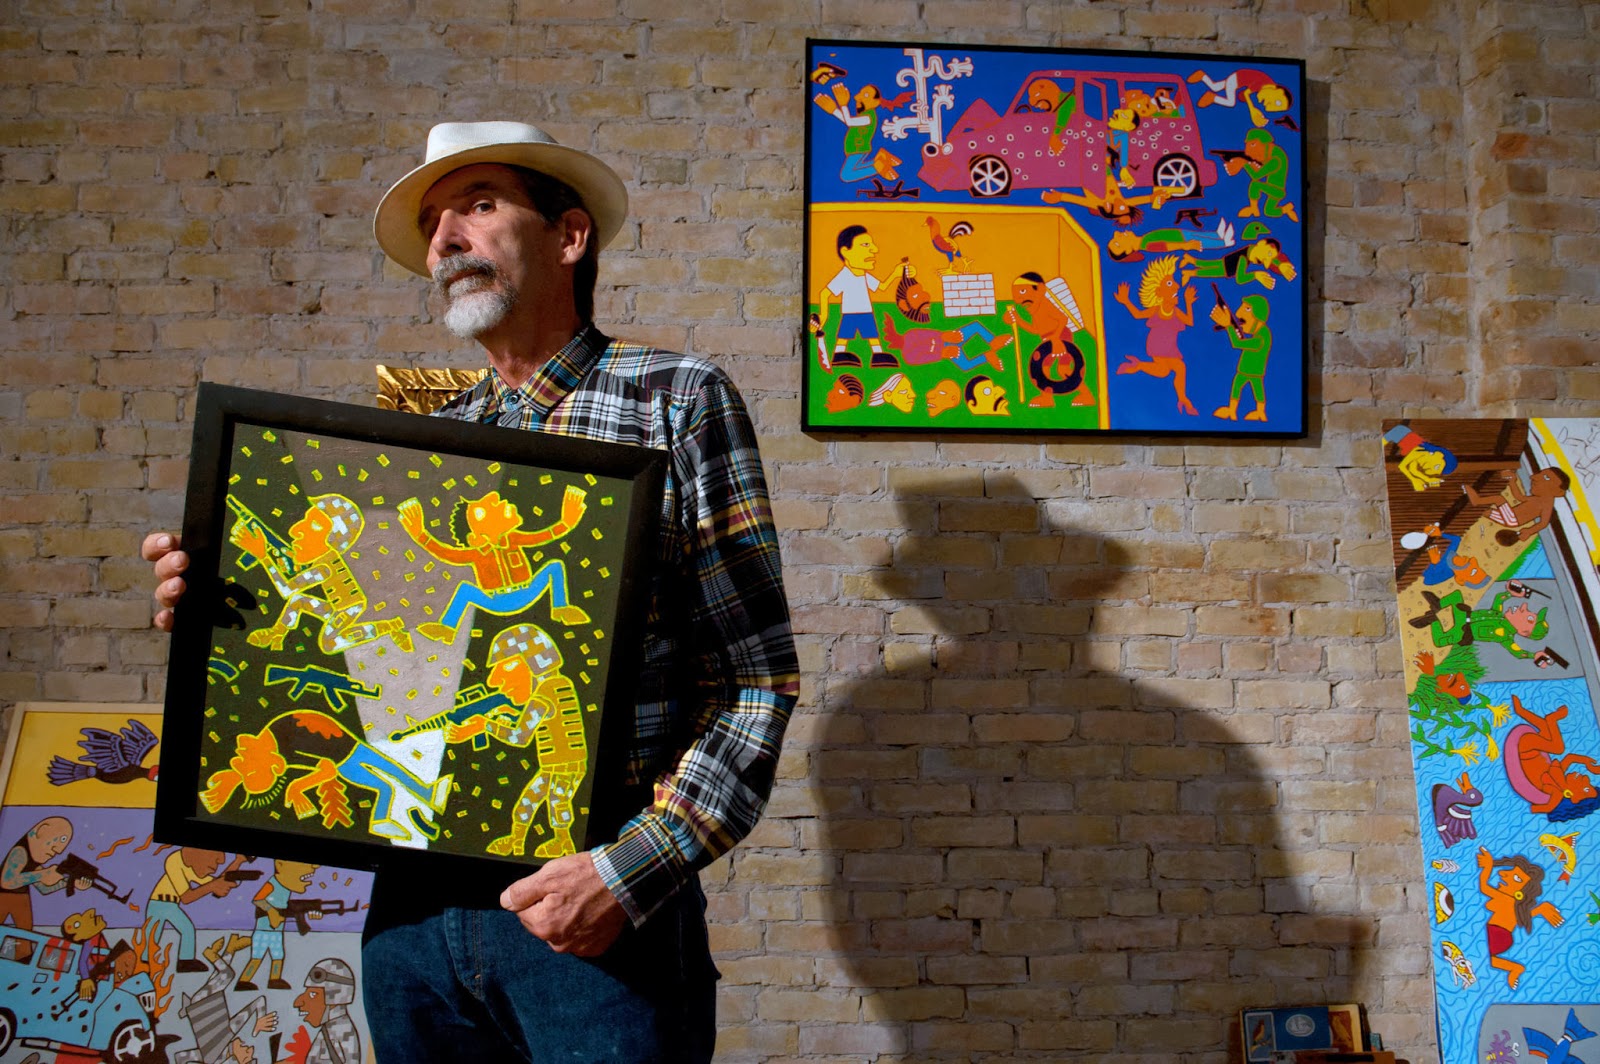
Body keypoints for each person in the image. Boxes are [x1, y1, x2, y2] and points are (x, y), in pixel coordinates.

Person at [143, 120, 799, 1063]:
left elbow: (755, 679)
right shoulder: (425, 450)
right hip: (408, 924)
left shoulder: (676, 398)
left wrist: (626, 874)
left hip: (593, 918)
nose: (445, 238)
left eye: (479, 205)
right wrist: (226, 615)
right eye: (432, 223)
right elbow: (383, 668)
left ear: (569, 236)